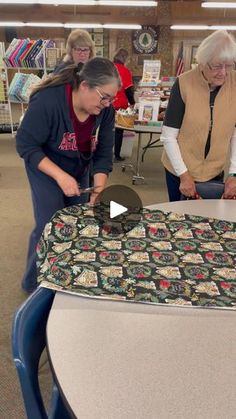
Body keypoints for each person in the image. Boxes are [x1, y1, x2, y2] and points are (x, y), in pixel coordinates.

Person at [16, 57, 121, 293]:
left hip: (78, 165)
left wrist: (99, 189)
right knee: (49, 224)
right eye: (104, 97)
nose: (107, 103)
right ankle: (32, 283)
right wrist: (60, 177)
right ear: (84, 85)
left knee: (75, 222)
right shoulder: (48, 101)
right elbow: (25, 145)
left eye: (111, 99)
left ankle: (63, 280)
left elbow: (104, 153)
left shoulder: (105, 111)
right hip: (45, 166)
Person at [160, 30, 236, 201]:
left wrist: (234, 172)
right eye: (216, 66)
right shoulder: (183, 83)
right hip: (179, 169)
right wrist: (184, 175)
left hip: (214, 171)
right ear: (202, 62)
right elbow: (168, 137)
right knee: (180, 219)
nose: (223, 73)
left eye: (229, 65)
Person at [113, 48, 135, 161]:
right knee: (119, 131)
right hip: (120, 105)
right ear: (125, 59)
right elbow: (128, 90)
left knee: (104, 129)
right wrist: (132, 103)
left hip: (106, 102)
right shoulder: (125, 71)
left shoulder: (109, 68)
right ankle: (116, 155)